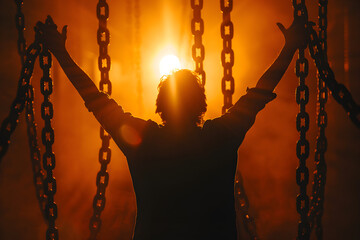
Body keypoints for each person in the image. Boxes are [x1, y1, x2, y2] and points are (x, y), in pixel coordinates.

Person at [37, 15, 306, 240]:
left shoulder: (143, 142)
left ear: (160, 105)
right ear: (200, 105)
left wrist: (60, 51)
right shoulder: (221, 137)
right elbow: (261, 91)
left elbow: (94, 98)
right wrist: (290, 47)